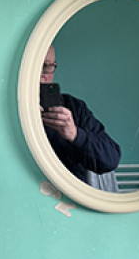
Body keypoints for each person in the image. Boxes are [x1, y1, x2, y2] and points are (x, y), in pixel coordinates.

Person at [40, 45, 121, 183]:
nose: (40, 74)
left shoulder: (74, 107)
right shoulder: (8, 108)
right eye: (35, 66)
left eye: (47, 66)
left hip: (68, 194)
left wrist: (75, 134)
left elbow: (111, 160)